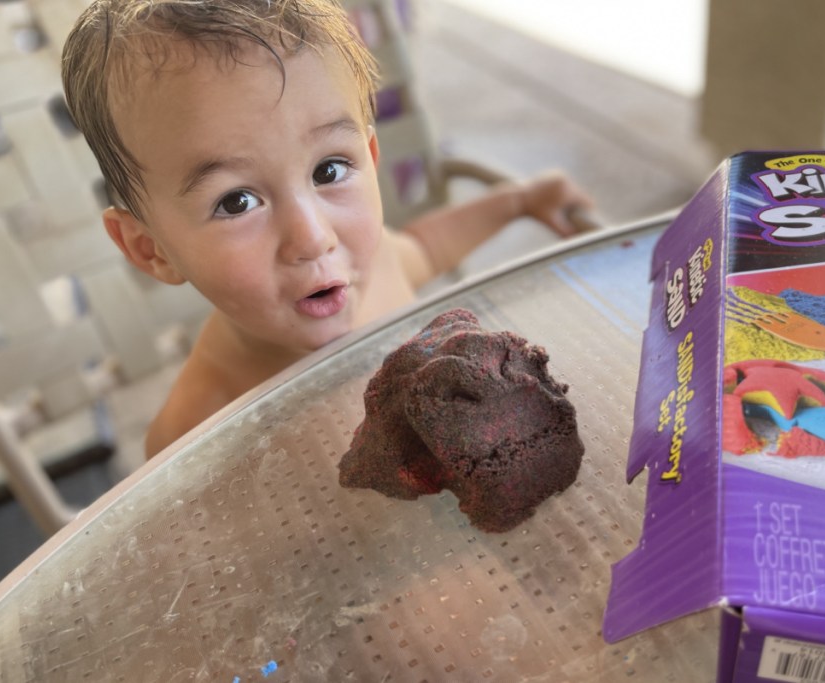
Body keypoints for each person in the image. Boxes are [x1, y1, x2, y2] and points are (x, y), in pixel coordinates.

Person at [60, 0, 593, 459]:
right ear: (151, 249)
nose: (313, 238)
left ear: (371, 156)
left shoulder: (375, 262)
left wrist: (518, 202)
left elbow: (427, 248)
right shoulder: (196, 431)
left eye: (329, 170)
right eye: (236, 201)